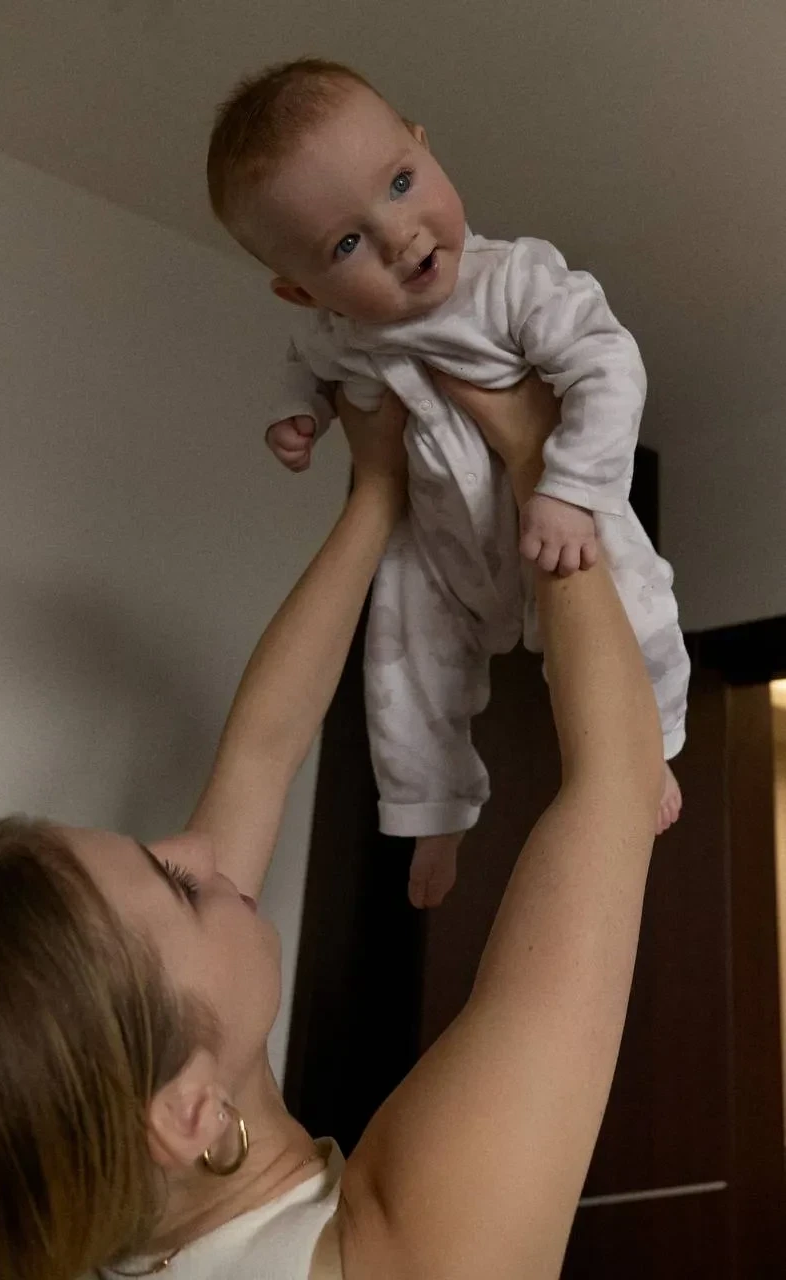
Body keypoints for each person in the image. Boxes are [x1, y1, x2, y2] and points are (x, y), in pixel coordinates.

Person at [0, 371, 662, 1280]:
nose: (195, 847)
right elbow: (617, 785)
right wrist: (537, 465)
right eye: (178, 888)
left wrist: (376, 492)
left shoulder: (117, 1192)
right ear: (189, 1112)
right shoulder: (415, 1256)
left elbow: (259, 755)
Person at [206, 57, 688, 909]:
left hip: (554, 514)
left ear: (424, 146)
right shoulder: (338, 331)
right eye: (346, 244)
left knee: (631, 604)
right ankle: (436, 811)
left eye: (400, 183)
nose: (399, 237)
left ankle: (648, 749)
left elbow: (610, 366)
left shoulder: (513, 279)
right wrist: (298, 414)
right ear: (301, 291)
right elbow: (304, 365)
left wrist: (570, 487)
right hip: (436, 550)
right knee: (398, 663)